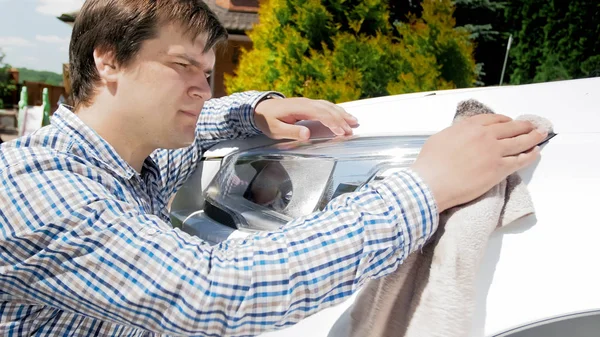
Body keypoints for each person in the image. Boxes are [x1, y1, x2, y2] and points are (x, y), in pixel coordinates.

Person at [0, 0, 546, 336]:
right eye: (182, 66)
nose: (203, 87)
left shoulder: (130, 160)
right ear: (108, 59)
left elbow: (193, 132)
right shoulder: (41, 190)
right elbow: (220, 293)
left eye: (210, 71)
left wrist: (253, 107)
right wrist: (426, 187)